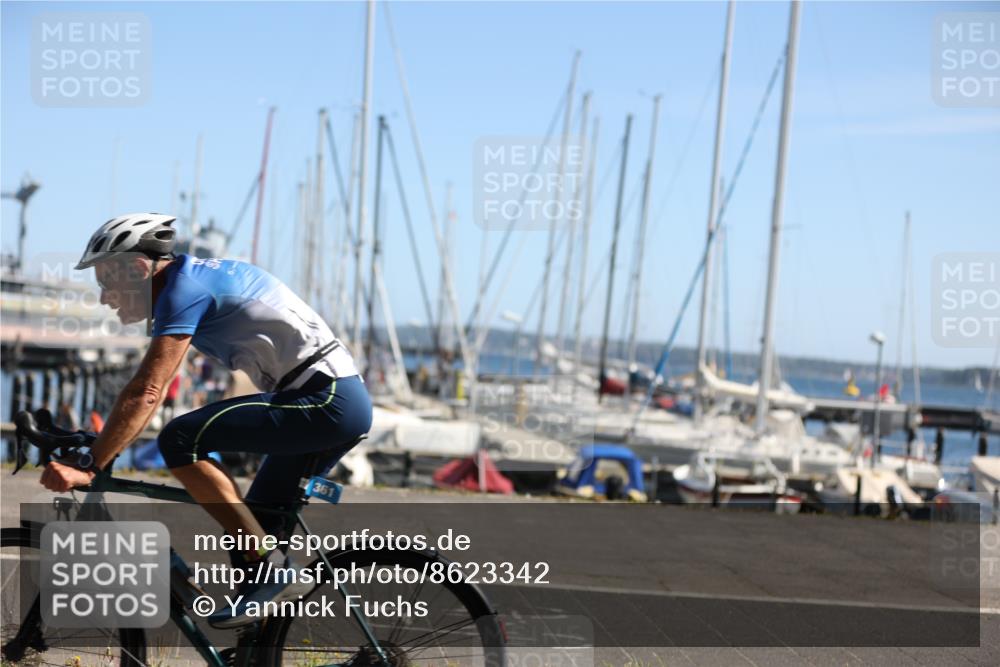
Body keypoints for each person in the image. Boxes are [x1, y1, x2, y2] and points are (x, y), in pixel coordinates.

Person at [39, 213, 372, 627]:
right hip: (328, 399)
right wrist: (97, 442)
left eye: (107, 281)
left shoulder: (184, 289)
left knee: (180, 438)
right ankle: (260, 643)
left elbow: (148, 390)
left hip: (326, 400)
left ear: (139, 268)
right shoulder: (191, 280)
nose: (105, 297)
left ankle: (274, 568)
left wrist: (91, 464)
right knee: (254, 525)